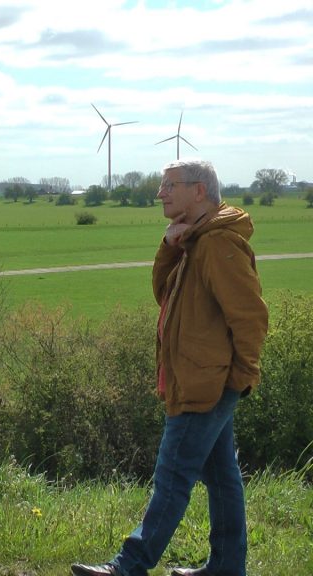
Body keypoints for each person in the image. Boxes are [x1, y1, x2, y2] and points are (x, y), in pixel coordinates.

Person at [72, 159, 269, 576]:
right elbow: (165, 294)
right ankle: (227, 567)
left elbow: (250, 316)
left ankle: (128, 567)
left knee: (172, 475)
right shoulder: (196, 239)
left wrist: (239, 378)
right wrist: (169, 247)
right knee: (221, 477)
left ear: (199, 191)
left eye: (169, 185)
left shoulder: (218, 244)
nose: (160, 192)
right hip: (201, 378)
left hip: (206, 384)